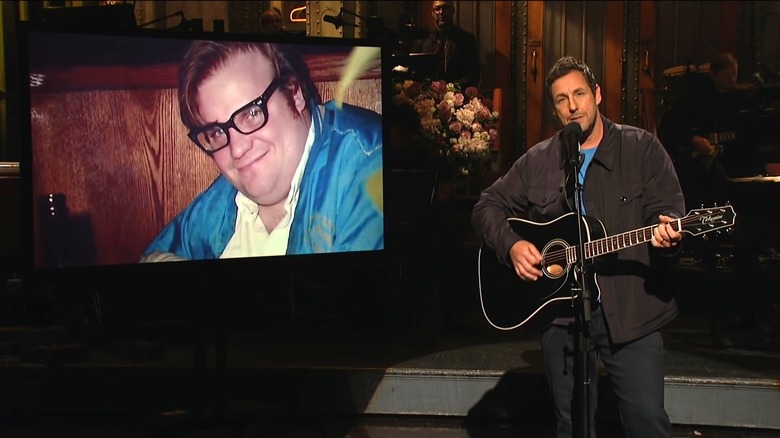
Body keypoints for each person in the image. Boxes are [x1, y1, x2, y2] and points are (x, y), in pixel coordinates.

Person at [472, 55, 685, 437]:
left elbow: (667, 216)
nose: (573, 105)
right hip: (561, 317)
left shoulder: (641, 149)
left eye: (580, 94)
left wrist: (667, 236)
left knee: (646, 422)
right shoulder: (539, 160)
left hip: (632, 313)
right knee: (572, 426)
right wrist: (512, 245)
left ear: (598, 95)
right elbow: (486, 206)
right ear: (554, 108)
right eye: (561, 99)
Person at [141, 41, 384, 262]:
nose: (237, 149)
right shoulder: (224, 198)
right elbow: (155, 254)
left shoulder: (369, 162)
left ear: (294, 92)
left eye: (251, 113)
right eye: (216, 132)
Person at [674, 51, 760, 207]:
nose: (732, 79)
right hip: (702, 156)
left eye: (734, 74)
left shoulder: (743, 101)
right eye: (727, 75)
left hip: (733, 153)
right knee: (713, 173)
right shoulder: (697, 97)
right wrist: (693, 139)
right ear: (714, 74)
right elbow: (676, 124)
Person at [409, 0, 481, 89]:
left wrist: (450, 88)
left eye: (445, 8)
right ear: (432, 13)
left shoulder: (466, 40)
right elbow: (415, 73)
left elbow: (473, 74)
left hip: (456, 96)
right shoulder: (421, 41)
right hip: (425, 98)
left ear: (453, 11)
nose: (441, 12)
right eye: (437, 9)